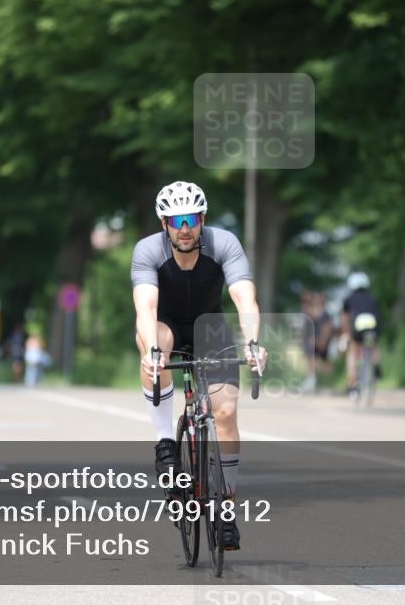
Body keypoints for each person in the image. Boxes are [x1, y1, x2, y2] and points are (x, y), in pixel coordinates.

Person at [131, 180, 267, 551]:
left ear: (202, 219)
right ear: (165, 225)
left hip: (211, 328)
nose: (184, 227)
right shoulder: (147, 251)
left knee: (224, 413)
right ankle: (164, 445)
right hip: (168, 325)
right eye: (176, 221)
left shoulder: (225, 244)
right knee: (156, 344)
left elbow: (245, 300)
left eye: (191, 219)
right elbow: (146, 308)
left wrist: (253, 342)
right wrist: (151, 352)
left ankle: (225, 509)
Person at [341, 272, 383, 400]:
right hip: (373, 325)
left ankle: (353, 385)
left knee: (353, 352)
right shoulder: (373, 298)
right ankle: (376, 366)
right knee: (374, 345)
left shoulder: (349, 299)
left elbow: (345, 319)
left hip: (358, 326)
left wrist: (346, 333)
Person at [300, 291, 333, 392]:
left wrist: (323, 341)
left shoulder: (325, 314)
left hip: (320, 341)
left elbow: (327, 328)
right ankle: (313, 380)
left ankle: (325, 382)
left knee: (322, 362)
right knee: (313, 360)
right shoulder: (311, 311)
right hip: (313, 340)